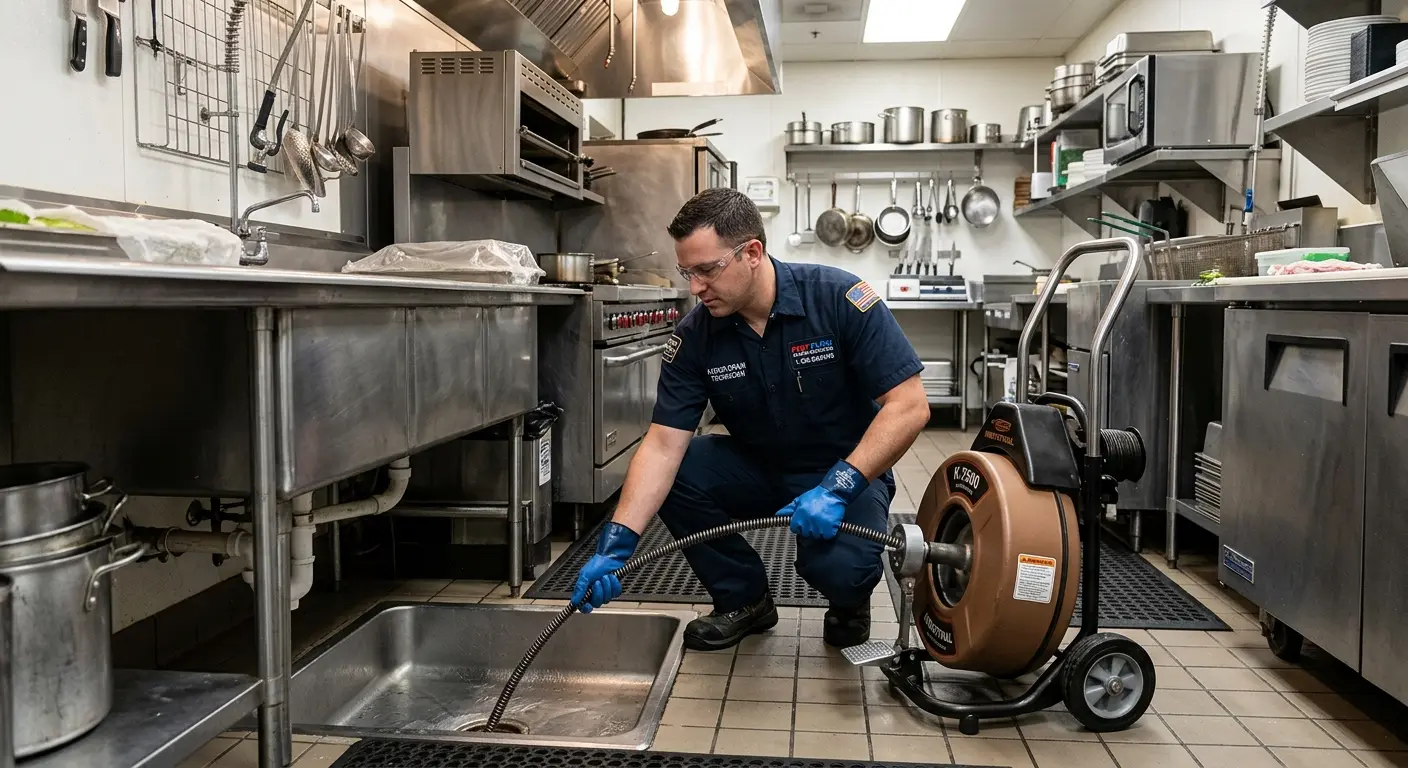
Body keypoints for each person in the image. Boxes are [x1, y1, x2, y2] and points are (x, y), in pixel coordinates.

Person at [571, 187, 931, 651]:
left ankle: (848, 601)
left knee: (841, 570)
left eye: (707, 270)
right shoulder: (696, 336)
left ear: (753, 253)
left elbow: (910, 405)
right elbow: (662, 445)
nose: (695, 288)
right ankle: (745, 598)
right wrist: (617, 541)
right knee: (681, 468)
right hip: (757, 467)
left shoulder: (839, 298)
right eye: (687, 272)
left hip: (845, 473)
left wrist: (837, 487)